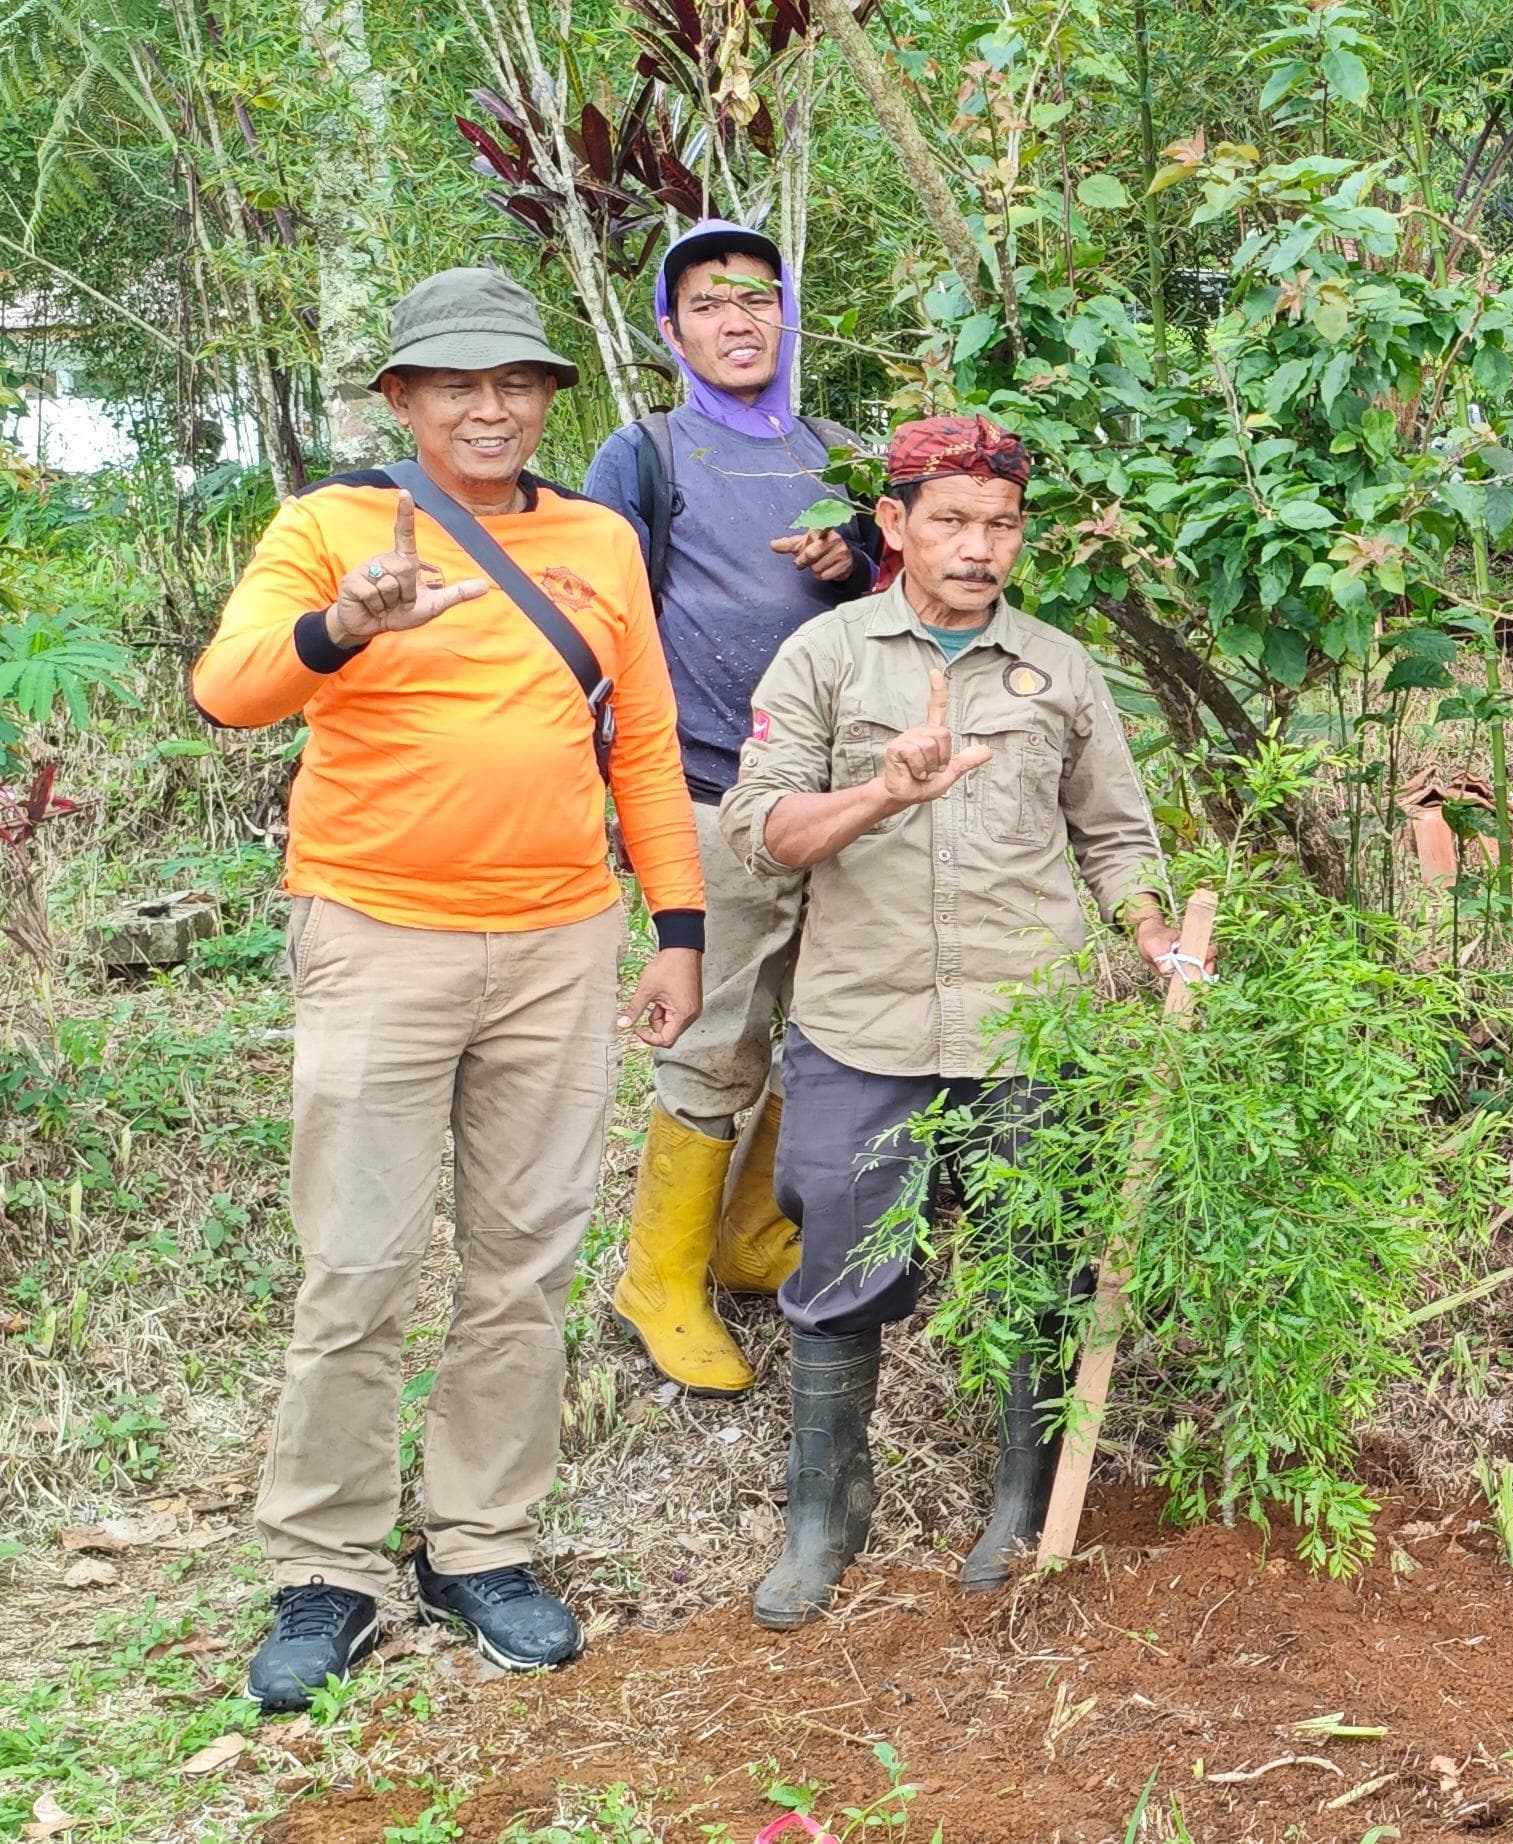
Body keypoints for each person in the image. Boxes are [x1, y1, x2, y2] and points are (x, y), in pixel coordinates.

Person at [193, 268, 707, 1708]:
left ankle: (481, 1541)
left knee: (525, 1262)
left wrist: (677, 928)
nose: (491, 406)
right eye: (456, 384)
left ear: (547, 399)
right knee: (356, 1266)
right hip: (378, 937)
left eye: (517, 383)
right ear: (402, 400)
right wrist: (343, 626)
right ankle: (329, 1567)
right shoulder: (329, 527)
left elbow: (645, 747)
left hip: (558, 941)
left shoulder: (599, 538)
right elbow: (227, 692)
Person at [721, 416, 1185, 1628]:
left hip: (1030, 1026)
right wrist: (884, 786)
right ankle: (827, 1514)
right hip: (858, 1026)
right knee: (837, 1270)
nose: (978, 547)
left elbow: (1116, 834)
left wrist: (1146, 931)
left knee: (1039, 1267)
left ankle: (1020, 1499)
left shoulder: (1059, 669)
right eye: (951, 521)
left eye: (1000, 525)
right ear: (895, 526)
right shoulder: (826, 659)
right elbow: (759, 833)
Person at [582, 220, 878, 1397]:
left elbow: (903, 588)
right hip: (710, 787)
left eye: (760, 295)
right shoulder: (644, 454)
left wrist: (854, 558)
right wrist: (614, 789)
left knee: (820, 1030)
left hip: (849, 799)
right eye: (710, 302)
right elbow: (600, 624)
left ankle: (753, 1239)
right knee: (717, 1038)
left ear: (788, 312)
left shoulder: (842, 448)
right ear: (671, 330)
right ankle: (657, 1275)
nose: (739, 317)